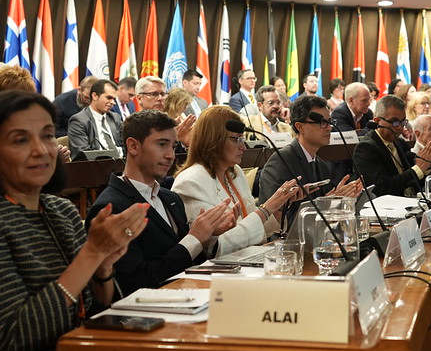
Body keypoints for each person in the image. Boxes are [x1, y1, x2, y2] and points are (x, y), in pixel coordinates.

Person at [0, 91, 149, 351]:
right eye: (21, 140)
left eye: (47, 135)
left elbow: (98, 308)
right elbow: (15, 336)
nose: (41, 150)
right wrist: (92, 254)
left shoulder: (60, 210)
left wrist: (103, 266)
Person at [86, 110, 235, 295]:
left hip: (189, 298)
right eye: (162, 144)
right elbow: (134, 283)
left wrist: (207, 237)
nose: (171, 155)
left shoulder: (171, 198)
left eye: (173, 146)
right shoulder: (111, 207)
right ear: (133, 146)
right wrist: (194, 238)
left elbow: (188, 263)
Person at [172, 106, 302, 256]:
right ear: (213, 139)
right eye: (235, 139)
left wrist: (279, 209)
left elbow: (252, 230)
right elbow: (214, 247)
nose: (243, 147)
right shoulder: (191, 181)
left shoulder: (235, 173)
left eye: (242, 139)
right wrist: (267, 208)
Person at [258, 96, 362, 224]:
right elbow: (273, 221)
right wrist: (329, 203)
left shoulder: (321, 164)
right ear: (300, 127)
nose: (329, 127)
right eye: (322, 122)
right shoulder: (281, 162)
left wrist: (339, 201)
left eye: (330, 122)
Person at [353, 95, 431, 197]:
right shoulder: (366, 148)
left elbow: (414, 183)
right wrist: (418, 169)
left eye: (403, 121)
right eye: (394, 122)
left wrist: (427, 165)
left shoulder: (401, 143)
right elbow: (381, 188)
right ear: (377, 121)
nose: (400, 127)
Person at [68, 79, 123, 159]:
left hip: (119, 166)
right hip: (93, 168)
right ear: (95, 96)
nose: (113, 102)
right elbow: (83, 154)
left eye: (114, 99)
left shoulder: (115, 117)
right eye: (109, 98)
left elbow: (125, 146)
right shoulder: (78, 121)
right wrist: (110, 155)